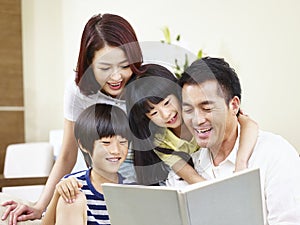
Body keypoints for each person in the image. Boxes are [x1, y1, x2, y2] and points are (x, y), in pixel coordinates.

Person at [1, 13, 144, 224]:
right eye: (105, 68)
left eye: (124, 65)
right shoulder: (78, 90)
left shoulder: (147, 86)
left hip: (141, 193)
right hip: (99, 190)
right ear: (89, 63)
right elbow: (67, 154)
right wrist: (40, 206)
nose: (116, 77)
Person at [175, 56, 300, 224]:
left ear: (234, 105)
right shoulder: (189, 168)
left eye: (207, 108)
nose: (197, 120)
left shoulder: (274, 155)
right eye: (188, 110)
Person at [126, 63, 258, 186]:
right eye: (154, 113)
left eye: (167, 103)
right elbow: (191, 176)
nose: (165, 114)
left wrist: (241, 165)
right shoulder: (161, 142)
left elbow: (248, 124)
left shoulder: (198, 112)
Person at [41, 103, 132, 225]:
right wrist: (57, 193)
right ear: (83, 145)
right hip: (75, 202)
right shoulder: (73, 184)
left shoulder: (132, 187)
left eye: (123, 142)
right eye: (106, 142)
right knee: (72, 198)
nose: (116, 150)